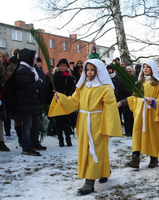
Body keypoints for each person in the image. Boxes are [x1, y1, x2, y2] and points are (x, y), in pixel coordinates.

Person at [49, 59, 122, 195]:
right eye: (87, 70)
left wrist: (110, 128)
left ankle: (90, 181)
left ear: (98, 71)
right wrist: (61, 98)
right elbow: (74, 102)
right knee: (90, 149)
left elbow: (110, 108)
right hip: (83, 121)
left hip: (98, 122)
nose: (89, 72)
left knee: (95, 149)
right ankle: (104, 170)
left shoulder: (105, 88)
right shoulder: (81, 86)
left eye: (92, 70)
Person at [118, 60, 159, 168]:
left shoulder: (158, 84)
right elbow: (134, 97)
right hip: (140, 114)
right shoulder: (139, 83)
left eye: (148, 67)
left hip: (151, 113)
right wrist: (122, 102)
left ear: (152, 69)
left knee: (151, 135)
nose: (145, 69)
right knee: (137, 134)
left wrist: (153, 102)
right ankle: (135, 159)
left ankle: (154, 158)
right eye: (144, 67)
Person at [15, 48, 46, 156]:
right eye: (33, 58)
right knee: (27, 126)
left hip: (32, 101)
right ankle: (27, 146)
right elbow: (27, 87)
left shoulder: (31, 69)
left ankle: (34, 142)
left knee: (36, 124)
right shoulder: (23, 70)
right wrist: (38, 83)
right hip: (26, 101)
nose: (35, 60)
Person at [50, 59, 76, 146]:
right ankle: (60, 140)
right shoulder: (53, 76)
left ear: (67, 67)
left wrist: (67, 90)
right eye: (61, 65)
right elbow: (49, 88)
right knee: (58, 122)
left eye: (64, 66)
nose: (62, 67)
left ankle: (68, 139)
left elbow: (73, 89)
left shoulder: (69, 77)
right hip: (57, 101)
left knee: (66, 122)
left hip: (66, 101)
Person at [117, 66, 134, 137]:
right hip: (125, 100)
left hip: (133, 100)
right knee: (126, 117)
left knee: (132, 116)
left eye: (130, 71)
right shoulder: (122, 79)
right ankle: (128, 132)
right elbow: (119, 89)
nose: (129, 73)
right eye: (128, 72)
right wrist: (129, 91)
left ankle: (132, 131)